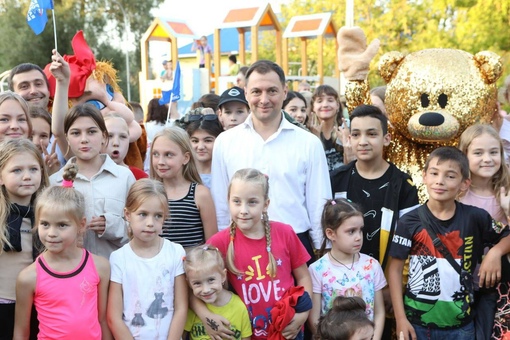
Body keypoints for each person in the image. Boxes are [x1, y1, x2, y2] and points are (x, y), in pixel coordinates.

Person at [211, 60, 331, 262]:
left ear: (285, 92)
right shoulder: (225, 142)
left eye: (272, 91)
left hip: (296, 245)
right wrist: (225, 248)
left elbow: (319, 201)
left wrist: (321, 252)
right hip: (241, 245)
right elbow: (221, 202)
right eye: (257, 91)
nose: (264, 99)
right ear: (246, 92)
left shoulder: (308, 143)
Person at [388, 147, 510, 340]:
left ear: (464, 184)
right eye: (434, 173)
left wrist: (495, 252)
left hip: (462, 327)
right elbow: (394, 270)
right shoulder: (409, 222)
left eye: (450, 176)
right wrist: (400, 318)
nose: (440, 181)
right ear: (425, 176)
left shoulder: (475, 217)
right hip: (417, 325)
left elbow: (507, 235)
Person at [330, 104, 419, 337]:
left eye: (372, 134)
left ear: (386, 138)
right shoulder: (337, 180)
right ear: (349, 138)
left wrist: (391, 285)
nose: (363, 141)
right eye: (356, 134)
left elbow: (407, 244)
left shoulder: (403, 186)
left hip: (386, 288)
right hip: (342, 288)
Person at [199, 168, 312, 339]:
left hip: (287, 332)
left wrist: (302, 314)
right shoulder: (218, 243)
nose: (243, 210)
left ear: (266, 204)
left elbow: (303, 277)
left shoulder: (285, 233)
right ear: (228, 201)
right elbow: (192, 283)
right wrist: (207, 317)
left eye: (252, 202)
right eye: (236, 201)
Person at [13, 164, 111, 339]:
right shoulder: (29, 277)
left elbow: (102, 320)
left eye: (62, 225)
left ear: (81, 225)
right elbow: (21, 331)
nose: (51, 233)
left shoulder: (100, 267)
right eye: (45, 224)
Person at [50, 104, 135, 258]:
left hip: (115, 274)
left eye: (91, 132)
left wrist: (112, 226)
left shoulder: (124, 178)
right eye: (76, 133)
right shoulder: (55, 182)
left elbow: (140, 227)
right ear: (67, 138)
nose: (84, 139)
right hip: (70, 274)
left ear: (104, 136)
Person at [107, 179, 187, 339]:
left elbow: (181, 308)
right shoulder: (118, 258)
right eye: (143, 214)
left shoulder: (175, 252)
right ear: (128, 214)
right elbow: (113, 317)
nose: (150, 223)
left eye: (158, 216)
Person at [458, 124, 510, 339]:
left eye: (493, 152)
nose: (487, 159)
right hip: (461, 286)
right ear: (464, 156)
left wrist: (497, 251)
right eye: (478, 153)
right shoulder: (456, 193)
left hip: (495, 287)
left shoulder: (505, 191)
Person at [309, 199, 386, 339]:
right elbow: (314, 318)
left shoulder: (372, 265)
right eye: (351, 231)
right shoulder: (317, 269)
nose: (358, 237)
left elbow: (379, 312)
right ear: (331, 234)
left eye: (360, 230)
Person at [0, 139, 49, 340]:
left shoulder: (49, 215)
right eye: (17, 170)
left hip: (40, 305)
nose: (27, 176)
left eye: (33, 169)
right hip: (4, 303)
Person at [150, 126, 217, 248]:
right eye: (155, 154)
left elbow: (211, 245)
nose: (160, 161)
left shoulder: (200, 194)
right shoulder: (149, 193)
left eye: (168, 155)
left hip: (190, 265)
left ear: (185, 158)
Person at [183, 245, 252, 340]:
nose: (206, 290)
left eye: (211, 280)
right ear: (189, 283)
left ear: (223, 276)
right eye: (197, 283)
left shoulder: (239, 307)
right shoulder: (192, 309)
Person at [311, 85, 347, 171]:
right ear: (313, 107)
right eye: (320, 101)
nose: (325, 105)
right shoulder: (306, 133)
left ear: (337, 105)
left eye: (330, 100)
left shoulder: (346, 129)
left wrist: (347, 147)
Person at [104, 113, 147, 180]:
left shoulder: (140, 178)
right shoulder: (86, 176)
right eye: (109, 136)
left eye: (123, 136)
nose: (116, 143)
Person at [184, 114, 224, 189]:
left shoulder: (226, 174)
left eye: (208, 141)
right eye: (195, 141)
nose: (201, 147)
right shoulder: (181, 174)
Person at [28, 106, 60, 175]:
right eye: (30, 136)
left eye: (43, 136)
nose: (36, 142)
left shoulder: (51, 168)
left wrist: (51, 175)